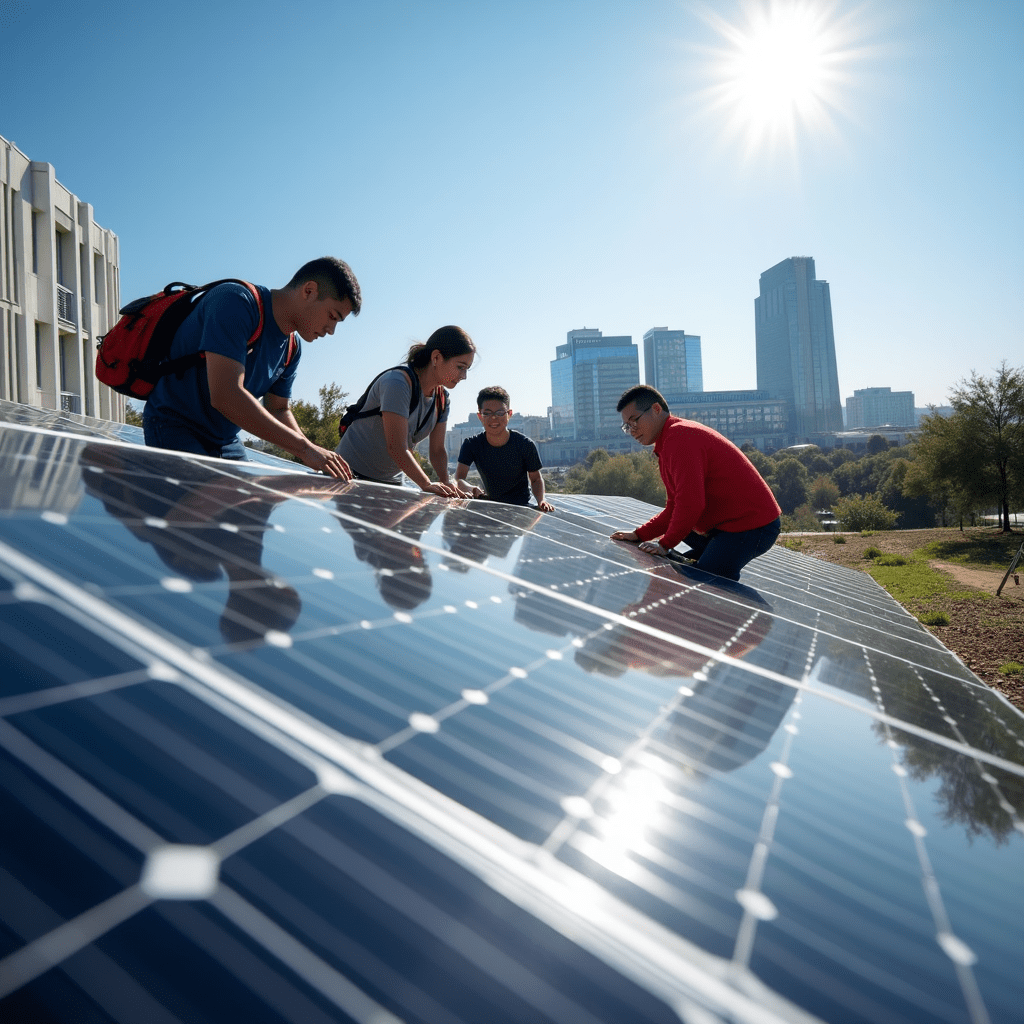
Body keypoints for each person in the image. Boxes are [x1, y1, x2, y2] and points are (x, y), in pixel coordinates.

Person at [143, 256, 360, 478]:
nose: (331, 330)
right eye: (332, 316)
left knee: (251, 507)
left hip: (226, 440)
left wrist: (313, 452)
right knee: (199, 506)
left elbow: (278, 409)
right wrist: (304, 449)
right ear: (309, 291)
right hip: (176, 426)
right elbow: (226, 394)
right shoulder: (237, 302)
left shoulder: (292, 348)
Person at [610, 384, 781, 580]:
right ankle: (701, 560)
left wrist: (664, 545)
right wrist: (639, 535)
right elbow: (675, 506)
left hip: (750, 525)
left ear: (656, 409)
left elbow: (691, 503)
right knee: (681, 547)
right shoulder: (668, 442)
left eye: (634, 421)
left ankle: (708, 568)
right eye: (627, 426)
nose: (632, 431)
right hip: (723, 525)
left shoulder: (679, 437)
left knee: (708, 580)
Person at [335, 325, 473, 497]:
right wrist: (426, 483)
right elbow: (397, 447)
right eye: (460, 367)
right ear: (436, 357)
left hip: (391, 482)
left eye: (467, 369)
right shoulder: (397, 382)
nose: (464, 376)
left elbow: (437, 451)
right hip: (346, 476)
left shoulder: (442, 400)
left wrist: (446, 484)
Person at [454, 386, 554, 510]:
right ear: (480, 416)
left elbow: (536, 479)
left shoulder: (525, 444)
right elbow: (459, 479)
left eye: (500, 413)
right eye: (487, 413)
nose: (494, 418)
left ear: (509, 414)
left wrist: (541, 501)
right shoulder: (471, 444)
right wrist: (471, 488)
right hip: (489, 506)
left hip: (521, 507)